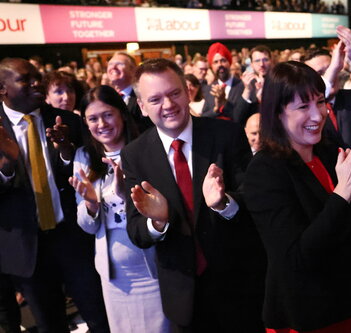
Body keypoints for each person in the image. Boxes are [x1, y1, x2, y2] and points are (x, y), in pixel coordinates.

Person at [122, 58, 265, 332]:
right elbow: (136, 231)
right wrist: (157, 222)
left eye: (174, 93)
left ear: (187, 92)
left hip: (239, 286)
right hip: (182, 296)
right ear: (141, 106)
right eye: (155, 99)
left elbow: (254, 201)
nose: (168, 105)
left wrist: (224, 204)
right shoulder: (135, 155)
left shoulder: (227, 134)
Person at [244, 60, 351, 332]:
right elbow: (298, 257)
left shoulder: (329, 151)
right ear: (278, 113)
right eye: (303, 107)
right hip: (306, 315)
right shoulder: (264, 171)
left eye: (320, 102)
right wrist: (344, 192)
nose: (318, 115)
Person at [0, 58, 110, 332]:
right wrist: (6, 168)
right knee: (51, 325)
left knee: (98, 317)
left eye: (37, 76)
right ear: (2, 88)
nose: (37, 83)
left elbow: (91, 170)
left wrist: (66, 152)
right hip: (27, 248)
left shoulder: (68, 122)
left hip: (72, 239)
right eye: (26, 79)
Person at [68, 85, 170, 332]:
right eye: (92, 118)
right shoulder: (83, 157)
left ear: (122, 114)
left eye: (107, 115)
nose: (101, 124)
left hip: (153, 265)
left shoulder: (146, 150)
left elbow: (161, 211)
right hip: (113, 273)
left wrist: (128, 196)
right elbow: (87, 226)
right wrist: (91, 205)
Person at [107, 52, 152, 132]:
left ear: (133, 70)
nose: (113, 67)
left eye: (119, 64)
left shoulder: (143, 96)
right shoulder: (106, 97)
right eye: (110, 64)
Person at [204, 42, 245, 123]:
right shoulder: (209, 89)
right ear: (211, 66)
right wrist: (216, 109)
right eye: (215, 62)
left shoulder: (242, 86)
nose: (220, 65)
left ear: (229, 62)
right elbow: (203, 117)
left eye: (223, 60)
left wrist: (224, 102)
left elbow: (241, 116)